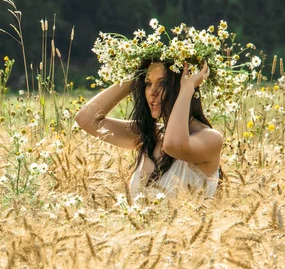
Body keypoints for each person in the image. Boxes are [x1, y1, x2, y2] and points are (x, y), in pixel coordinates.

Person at [75, 60, 222, 197]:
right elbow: (86, 119)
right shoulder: (149, 135)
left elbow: (173, 145)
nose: (152, 91)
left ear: (181, 85)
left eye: (163, 83)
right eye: (147, 83)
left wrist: (188, 88)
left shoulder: (210, 138)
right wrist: (136, 76)